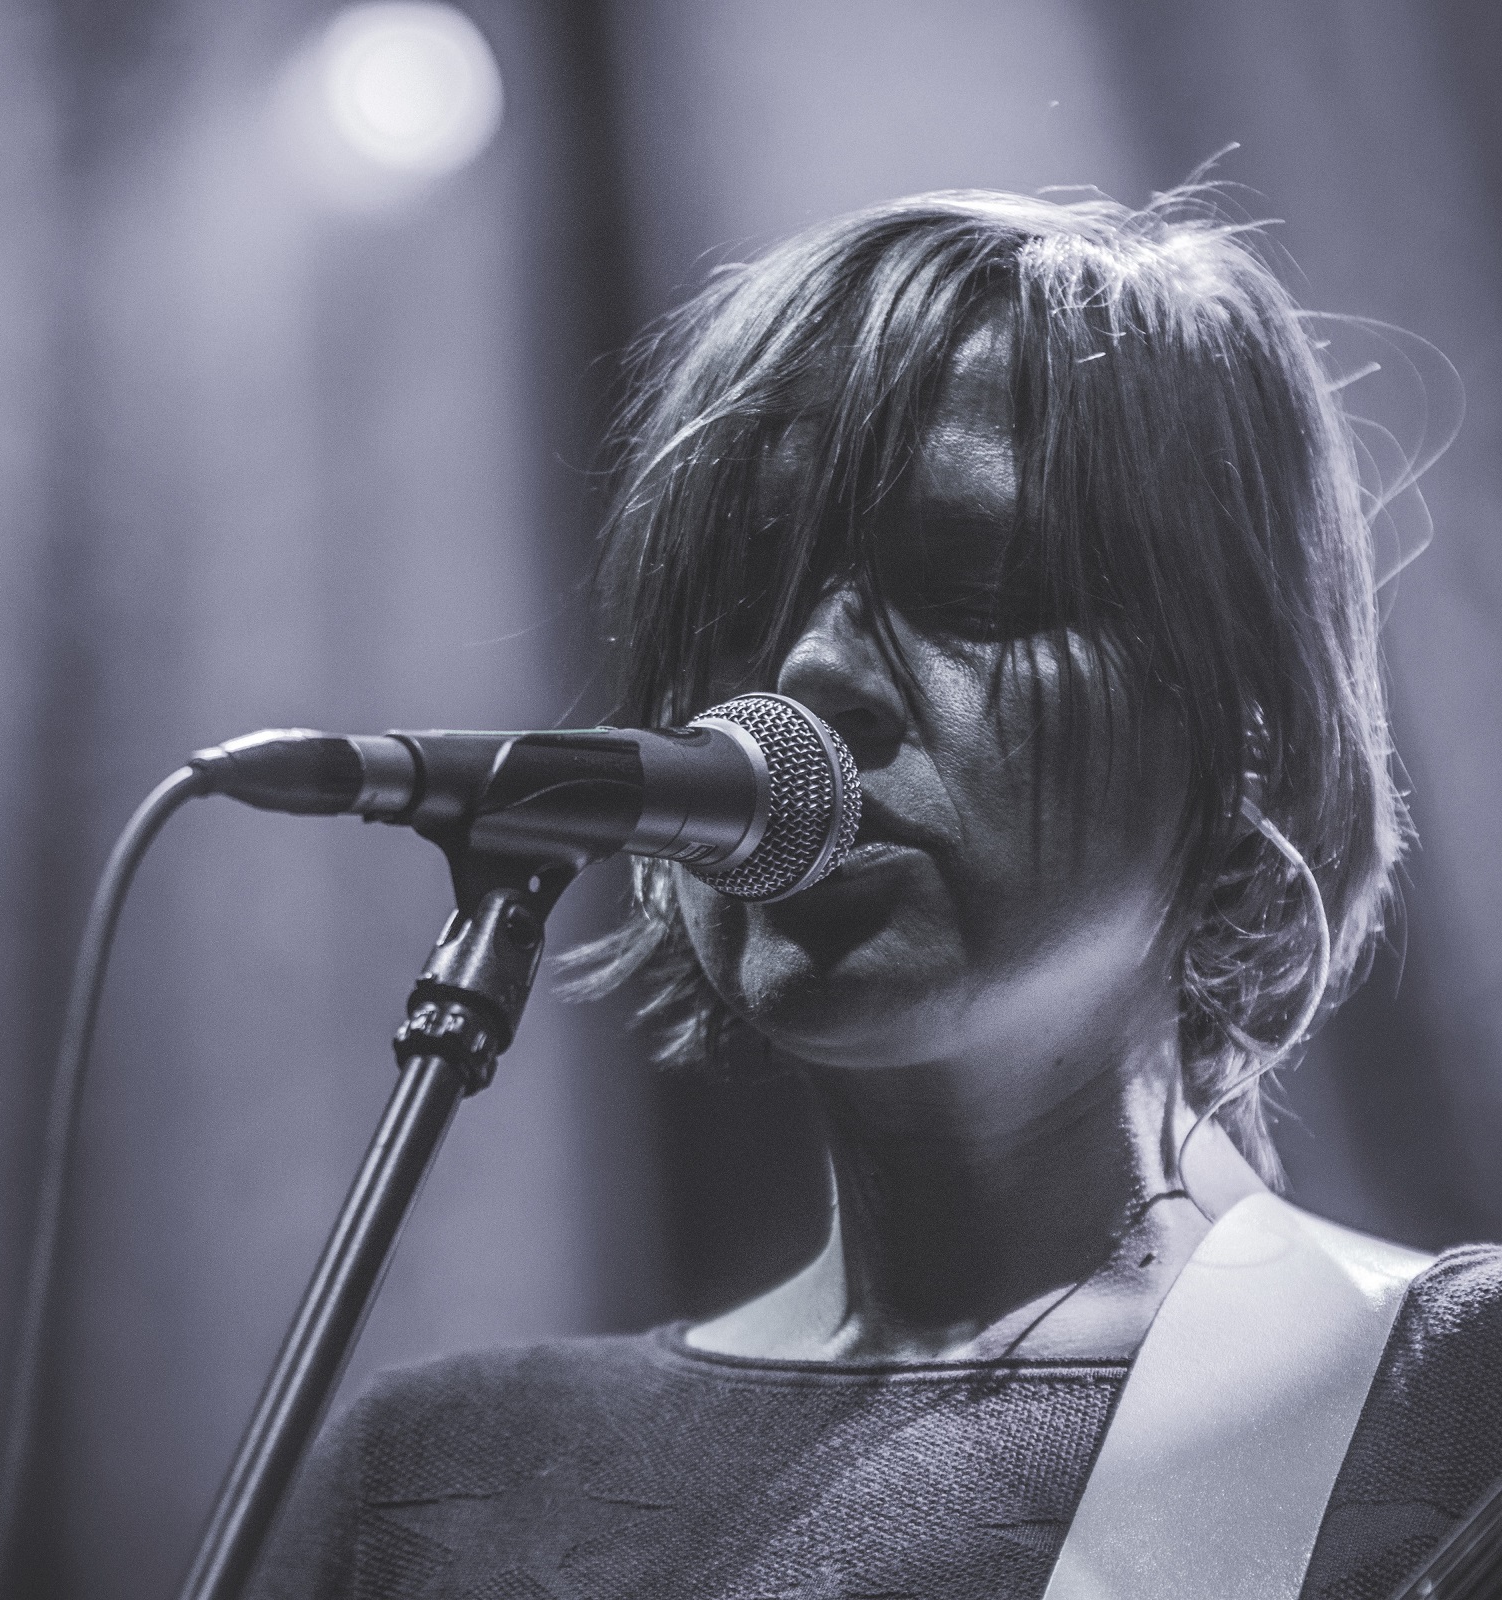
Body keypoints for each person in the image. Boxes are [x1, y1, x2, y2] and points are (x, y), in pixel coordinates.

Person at [254, 186, 1502, 1599]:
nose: (808, 675)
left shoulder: (1457, 1410)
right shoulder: (431, 1478)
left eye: (973, 585)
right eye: (741, 605)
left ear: (1242, 735)